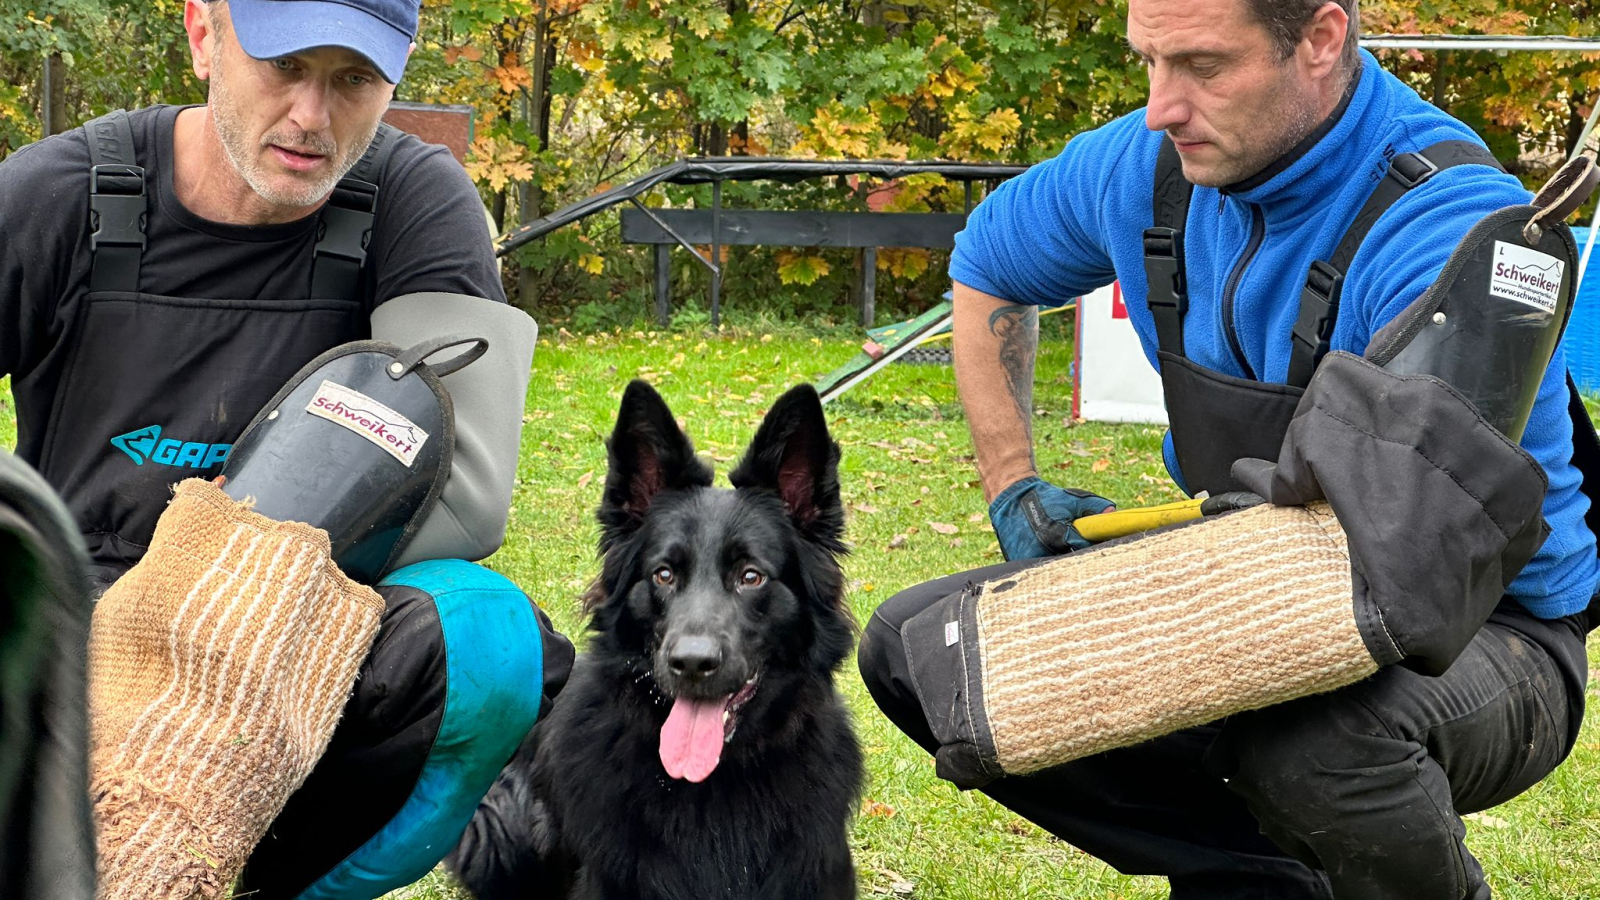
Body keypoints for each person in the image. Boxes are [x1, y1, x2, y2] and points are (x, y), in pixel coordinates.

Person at [858, 1, 1597, 898]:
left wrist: (1153, 633)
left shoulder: (1443, 220)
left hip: (1481, 630)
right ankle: (1261, 881)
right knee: (928, 653)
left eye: (1203, 66)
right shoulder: (1145, 165)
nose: (1162, 106)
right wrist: (1013, 488)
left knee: (1310, 745)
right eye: (1149, 62)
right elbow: (987, 268)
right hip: (1244, 574)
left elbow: (1403, 556)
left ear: (1321, 41)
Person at [0, 1, 570, 897]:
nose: (313, 116)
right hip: (76, 627)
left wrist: (226, 607)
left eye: (353, 80)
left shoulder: (414, 201)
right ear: (202, 35)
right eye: (285, 66)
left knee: (489, 638)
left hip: (298, 629)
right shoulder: (57, 193)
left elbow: (467, 496)